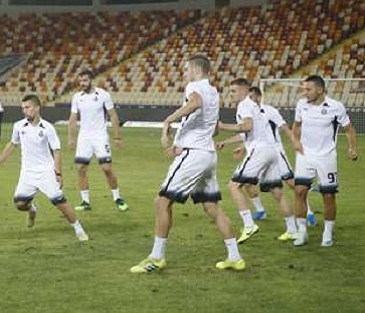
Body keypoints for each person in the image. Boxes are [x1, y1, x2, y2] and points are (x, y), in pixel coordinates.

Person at [130, 55, 244, 273]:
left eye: (186, 69)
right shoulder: (214, 91)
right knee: (212, 207)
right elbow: (214, 129)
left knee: (161, 202)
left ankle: (156, 258)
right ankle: (235, 257)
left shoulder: (195, 87)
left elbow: (194, 103)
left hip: (194, 155)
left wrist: (169, 120)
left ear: (195, 69)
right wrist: (181, 140)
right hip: (208, 154)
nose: (185, 73)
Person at [0, 94, 89, 242]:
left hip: (46, 171)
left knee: (59, 202)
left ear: (36, 108)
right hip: (27, 173)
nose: (24, 111)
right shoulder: (19, 126)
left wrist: (58, 173)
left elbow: (57, 151)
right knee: (20, 204)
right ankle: (32, 209)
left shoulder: (48, 128)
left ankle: (79, 229)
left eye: (27, 107)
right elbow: (12, 144)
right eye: (23, 108)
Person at [218, 78, 301, 244]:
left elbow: (247, 127)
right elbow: (249, 132)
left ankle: (249, 225)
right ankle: (292, 230)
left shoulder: (244, 105)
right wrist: (234, 143)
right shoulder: (255, 107)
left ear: (244, 90)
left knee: (234, 186)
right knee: (277, 191)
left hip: (260, 151)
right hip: (271, 151)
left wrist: (222, 126)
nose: (231, 94)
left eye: (234, 91)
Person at [292, 75, 358, 247]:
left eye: (308, 89)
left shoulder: (336, 107)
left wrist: (352, 148)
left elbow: (349, 129)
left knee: (328, 195)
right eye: (304, 89)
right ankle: (301, 232)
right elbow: (297, 125)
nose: (305, 93)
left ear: (319, 90)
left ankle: (327, 233)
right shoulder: (301, 105)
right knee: (299, 191)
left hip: (326, 157)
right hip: (304, 156)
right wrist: (295, 141)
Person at [67, 70, 128, 212]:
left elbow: (113, 115)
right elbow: (73, 118)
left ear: (91, 80)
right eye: (80, 81)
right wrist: (71, 137)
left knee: (106, 168)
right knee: (80, 168)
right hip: (84, 137)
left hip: (100, 136)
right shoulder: (77, 97)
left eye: (85, 81)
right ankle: (85, 202)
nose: (82, 84)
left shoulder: (103, 95)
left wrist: (117, 136)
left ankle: (118, 198)